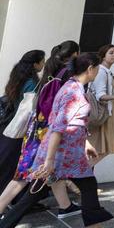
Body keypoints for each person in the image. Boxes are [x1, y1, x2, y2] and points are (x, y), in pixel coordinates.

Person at [0, 40, 80, 219]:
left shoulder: (47, 75)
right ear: (74, 55)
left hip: (35, 130)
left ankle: (66, 207)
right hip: (44, 132)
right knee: (24, 175)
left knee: (43, 172)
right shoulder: (64, 76)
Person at [0, 50, 44, 185]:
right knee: (11, 163)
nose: (43, 64)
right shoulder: (32, 82)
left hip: (6, 123)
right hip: (18, 127)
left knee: (5, 160)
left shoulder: (17, 76)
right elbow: (28, 109)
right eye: (42, 61)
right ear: (35, 64)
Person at [87, 45, 114, 163]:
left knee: (99, 148)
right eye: (111, 52)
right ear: (103, 56)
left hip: (105, 113)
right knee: (97, 149)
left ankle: (84, 175)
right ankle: (81, 174)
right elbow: (100, 96)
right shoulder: (101, 72)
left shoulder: (105, 71)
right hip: (102, 114)